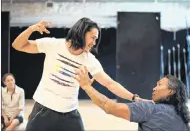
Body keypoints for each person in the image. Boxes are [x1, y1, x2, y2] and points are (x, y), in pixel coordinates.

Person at [12, 18, 145, 131]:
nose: (94, 43)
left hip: (69, 114)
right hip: (43, 110)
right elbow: (18, 45)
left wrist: (134, 97)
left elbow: (110, 84)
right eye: (93, 38)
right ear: (82, 32)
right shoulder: (53, 44)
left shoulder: (89, 60)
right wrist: (31, 29)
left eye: (96, 39)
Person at [73, 66, 190, 131]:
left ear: (171, 91)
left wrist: (86, 86)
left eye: (159, 85)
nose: (154, 88)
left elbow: (109, 106)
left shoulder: (150, 109)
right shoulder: (181, 116)